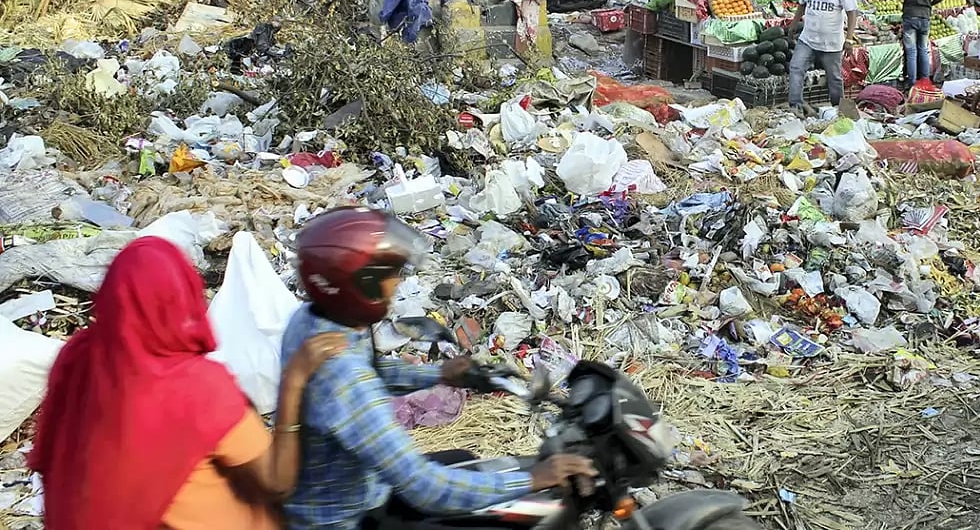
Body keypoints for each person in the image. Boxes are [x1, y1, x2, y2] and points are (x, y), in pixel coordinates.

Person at [280, 207, 598, 530]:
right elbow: (427, 488)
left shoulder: (313, 322)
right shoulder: (345, 377)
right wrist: (534, 478)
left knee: (465, 460)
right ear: (362, 286)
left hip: (363, 486)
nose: (399, 283)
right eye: (391, 274)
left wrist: (439, 375)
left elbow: (373, 371)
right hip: (349, 519)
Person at [29, 236, 349, 530]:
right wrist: (293, 380)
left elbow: (51, 459)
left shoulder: (78, 358)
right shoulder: (195, 386)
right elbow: (276, 480)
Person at [786, 0, 858, 114]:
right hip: (808, 39)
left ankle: (837, 109)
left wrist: (849, 39)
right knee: (796, 68)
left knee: (834, 78)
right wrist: (794, 24)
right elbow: (802, 5)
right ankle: (795, 106)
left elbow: (852, 12)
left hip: (831, 43)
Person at [882, 0, 946, 86]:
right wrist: (930, 3)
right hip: (925, 16)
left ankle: (911, 83)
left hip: (910, 15)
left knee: (911, 51)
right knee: (923, 49)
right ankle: (925, 81)